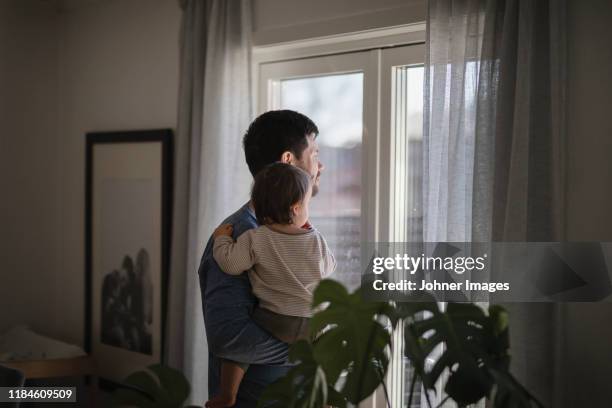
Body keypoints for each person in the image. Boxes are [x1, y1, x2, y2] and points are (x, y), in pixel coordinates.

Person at [198, 110, 324, 407]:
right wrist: (309, 349)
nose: (321, 166)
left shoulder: (298, 236)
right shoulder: (239, 236)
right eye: (315, 154)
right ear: (288, 161)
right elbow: (230, 338)